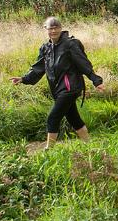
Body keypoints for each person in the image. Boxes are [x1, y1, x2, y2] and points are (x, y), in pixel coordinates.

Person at [10, 17, 104, 149]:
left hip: (70, 87)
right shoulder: (46, 48)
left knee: (53, 118)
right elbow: (38, 68)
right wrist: (24, 79)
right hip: (57, 89)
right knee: (73, 118)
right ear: (46, 29)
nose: (53, 31)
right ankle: (90, 146)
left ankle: (49, 149)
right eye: (50, 28)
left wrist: (96, 80)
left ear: (61, 28)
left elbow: (83, 63)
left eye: (56, 28)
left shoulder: (71, 44)